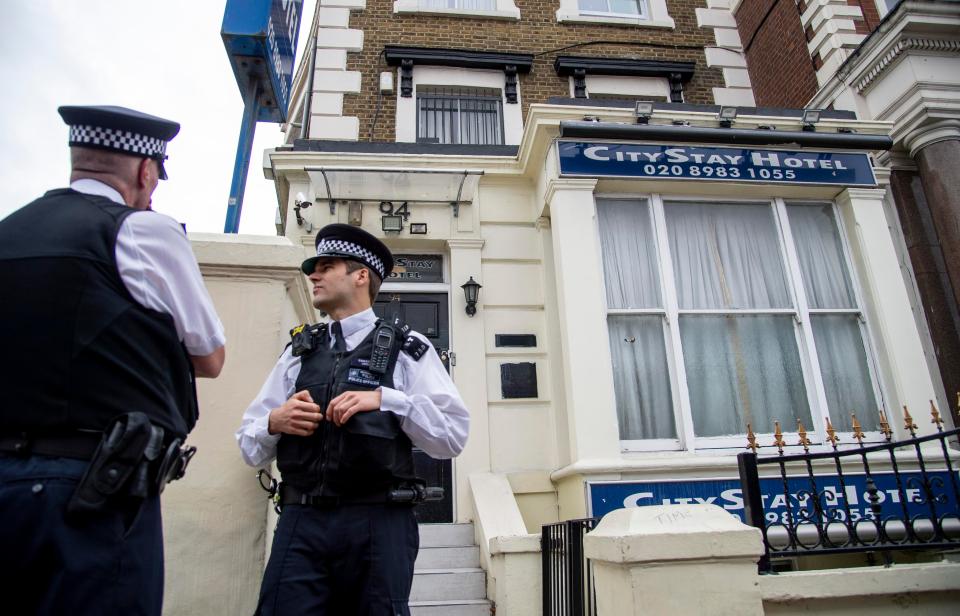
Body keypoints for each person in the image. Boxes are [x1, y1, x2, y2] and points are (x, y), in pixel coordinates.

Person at [0, 105, 226, 615]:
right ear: (146, 171)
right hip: (91, 487)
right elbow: (210, 354)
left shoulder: (9, 231)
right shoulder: (144, 230)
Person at [237, 223, 469, 615]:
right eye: (314, 267)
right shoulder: (299, 351)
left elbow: (451, 437)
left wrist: (389, 400)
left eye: (326, 266)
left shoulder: (407, 348)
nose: (313, 274)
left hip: (378, 524)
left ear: (361, 275)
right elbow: (249, 445)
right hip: (301, 522)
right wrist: (274, 421)